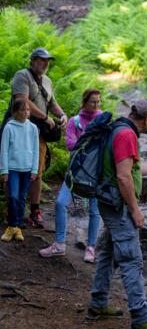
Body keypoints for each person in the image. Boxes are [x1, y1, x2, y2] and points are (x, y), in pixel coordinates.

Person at [86, 99, 147, 329]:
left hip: (109, 201)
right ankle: (141, 317)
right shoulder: (127, 135)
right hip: (118, 206)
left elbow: (132, 169)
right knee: (131, 259)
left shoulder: (119, 128)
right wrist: (135, 210)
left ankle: (98, 302)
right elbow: (124, 177)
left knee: (108, 253)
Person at [39, 89, 102, 263]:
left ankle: (91, 247)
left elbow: (105, 146)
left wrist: (83, 142)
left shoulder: (103, 121)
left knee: (94, 211)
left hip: (96, 173)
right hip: (75, 171)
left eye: (98, 101)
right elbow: (69, 144)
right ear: (85, 102)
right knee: (60, 203)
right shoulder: (75, 121)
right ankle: (59, 244)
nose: (96, 105)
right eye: (93, 102)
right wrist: (89, 141)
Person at [11, 48, 68, 228]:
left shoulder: (47, 81)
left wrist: (62, 114)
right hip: (19, 130)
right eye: (42, 60)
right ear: (33, 60)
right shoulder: (22, 76)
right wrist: (45, 117)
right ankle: (14, 212)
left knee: (37, 170)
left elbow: (52, 102)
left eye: (47, 60)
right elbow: (23, 100)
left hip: (39, 132)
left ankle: (34, 211)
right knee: (15, 168)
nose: (45, 63)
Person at [0, 99, 39, 242]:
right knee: (13, 196)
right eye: (22, 110)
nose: (25, 112)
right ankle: (11, 226)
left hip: (27, 169)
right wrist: (4, 170)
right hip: (12, 169)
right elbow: (4, 150)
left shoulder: (33, 128)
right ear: (15, 111)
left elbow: (36, 150)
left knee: (22, 197)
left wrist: (34, 169)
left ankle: (18, 227)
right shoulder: (9, 127)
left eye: (27, 110)